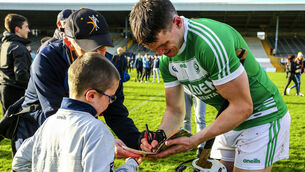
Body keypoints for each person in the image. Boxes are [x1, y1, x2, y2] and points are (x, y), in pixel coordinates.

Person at [129, 0, 290, 171]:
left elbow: (243, 107)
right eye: (154, 49)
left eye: (163, 45)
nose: (161, 53)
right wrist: (159, 136)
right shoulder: (165, 60)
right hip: (228, 118)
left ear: (177, 22)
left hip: (262, 116)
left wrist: (195, 140)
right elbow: (174, 110)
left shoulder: (209, 44)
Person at [13, 8, 141, 158]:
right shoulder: (46, 60)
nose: (99, 55)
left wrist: (138, 141)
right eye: (91, 48)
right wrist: (103, 142)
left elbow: (116, 112)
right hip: (36, 133)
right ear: (68, 41)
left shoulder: (108, 64)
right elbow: (57, 117)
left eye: (103, 47)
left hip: (76, 132)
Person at [12, 52, 141, 172]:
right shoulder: (97, 130)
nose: (111, 102)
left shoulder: (49, 123)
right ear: (91, 96)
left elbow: (19, 162)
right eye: (111, 97)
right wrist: (131, 164)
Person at [0, 13, 31, 116]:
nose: (28, 30)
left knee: (7, 124)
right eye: (26, 27)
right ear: (17, 29)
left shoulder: (5, 44)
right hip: (15, 92)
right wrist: (34, 86)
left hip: (5, 89)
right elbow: (21, 75)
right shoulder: (18, 48)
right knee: (15, 126)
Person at [183, 90, 206, 157]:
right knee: (185, 118)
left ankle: (201, 146)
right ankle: (187, 143)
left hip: (198, 89)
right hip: (185, 89)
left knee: (200, 118)